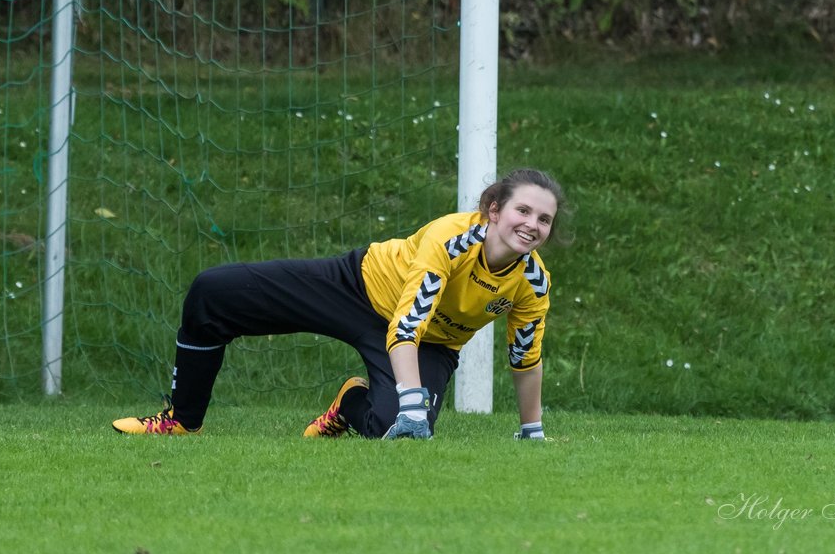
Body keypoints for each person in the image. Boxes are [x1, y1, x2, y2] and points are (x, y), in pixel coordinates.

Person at [112, 168, 567, 441]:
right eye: (522, 211)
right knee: (214, 291)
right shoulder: (450, 239)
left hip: (430, 344)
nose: (531, 225)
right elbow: (405, 322)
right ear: (493, 209)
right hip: (356, 287)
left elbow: (525, 359)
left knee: (394, 430)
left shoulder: (532, 284)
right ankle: (182, 421)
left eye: (543, 219)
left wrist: (532, 431)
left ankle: (349, 402)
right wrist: (414, 403)